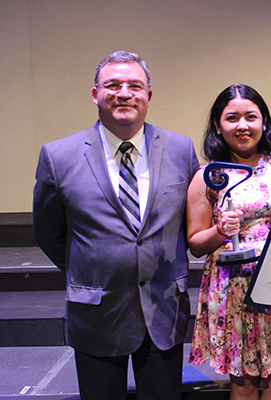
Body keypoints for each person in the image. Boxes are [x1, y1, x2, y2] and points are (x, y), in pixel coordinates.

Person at [33, 51, 199, 400]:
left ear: (148, 96)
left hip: (164, 310)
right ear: (95, 93)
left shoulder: (181, 149)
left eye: (134, 86)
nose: (124, 93)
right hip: (96, 312)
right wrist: (92, 269)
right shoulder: (58, 155)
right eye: (112, 85)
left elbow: (190, 222)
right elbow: (48, 231)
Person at [187, 84, 271, 400]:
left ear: (264, 121)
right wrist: (221, 230)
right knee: (245, 387)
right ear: (218, 125)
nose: (243, 125)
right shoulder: (208, 175)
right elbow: (196, 243)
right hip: (234, 290)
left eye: (251, 116)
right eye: (232, 118)